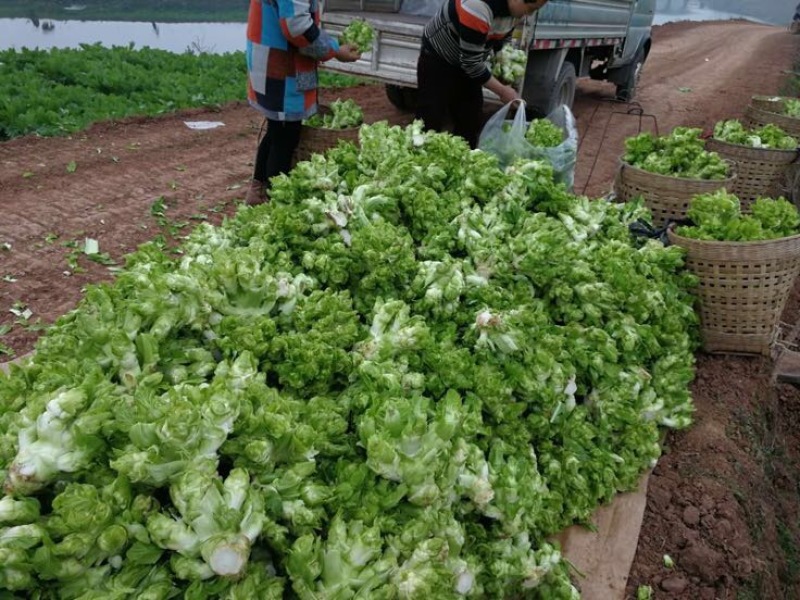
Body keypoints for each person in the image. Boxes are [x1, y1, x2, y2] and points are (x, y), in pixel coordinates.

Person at [244, 0, 361, 205]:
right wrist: (334, 49)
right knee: (285, 137)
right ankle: (274, 201)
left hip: (270, 57)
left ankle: (258, 190)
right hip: (282, 67)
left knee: (277, 129)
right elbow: (297, 26)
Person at [416, 0, 550, 149]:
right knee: (429, 120)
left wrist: (502, 62)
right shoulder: (476, 7)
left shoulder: (516, 11)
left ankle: (462, 162)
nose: (530, 13)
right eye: (531, 7)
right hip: (438, 59)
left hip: (468, 62)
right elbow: (471, 64)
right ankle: (422, 160)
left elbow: (503, 37)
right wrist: (502, 91)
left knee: (469, 121)